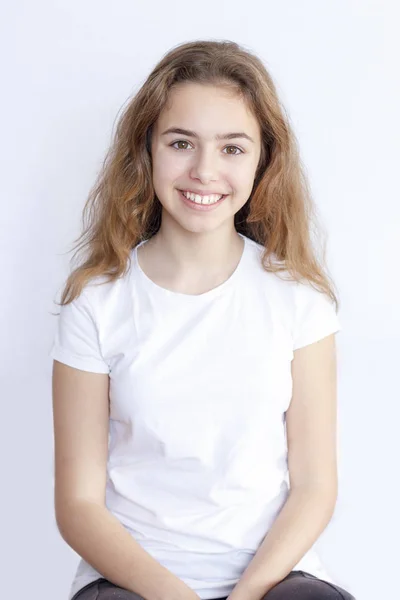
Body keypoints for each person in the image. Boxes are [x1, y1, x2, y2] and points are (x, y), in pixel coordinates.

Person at [50, 40, 356, 600]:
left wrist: (244, 597)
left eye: (232, 148)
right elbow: (77, 506)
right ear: (146, 150)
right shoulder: (95, 303)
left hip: (273, 579)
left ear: (263, 160)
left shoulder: (300, 300)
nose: (204, 170)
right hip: (133, 584)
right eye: (181, 143)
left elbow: (314, 487)